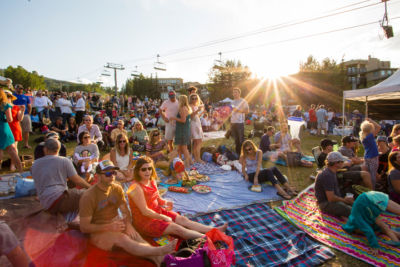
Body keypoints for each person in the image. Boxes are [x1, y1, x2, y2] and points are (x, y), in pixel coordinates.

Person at [79, 160, 177, 267]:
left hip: (115, 222)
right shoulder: (88, 197)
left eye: (114, 173)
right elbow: (84, 227)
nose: (112, 176)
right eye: (108, 174)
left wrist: (129, 225)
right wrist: (108, 227)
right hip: (98, 230)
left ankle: (158, 260)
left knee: (135, 236)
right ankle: (160, 251)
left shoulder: (116, 187)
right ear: (97, 176)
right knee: (124, 239)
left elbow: (125, 210)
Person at [128, 157, 228, 240]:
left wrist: (167, 202)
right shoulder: (136, 187)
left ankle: (214, 230)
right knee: (178, 229)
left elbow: (159, 200)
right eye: (143, 169)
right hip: (145, 222)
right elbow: (144, 211)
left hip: (157, 212)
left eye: (149, 169)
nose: (147, 171)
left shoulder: (152, 181)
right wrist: (163, 217)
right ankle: (212, 238)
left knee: (183, 220)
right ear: (138, 171)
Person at [32, 138, 91, 214]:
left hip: (46, 204)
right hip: (59, 200)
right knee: (90, 194)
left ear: (45, 149)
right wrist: (91, 187)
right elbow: (76, 180)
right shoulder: (64, 161)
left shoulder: (35, 164)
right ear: (59, 149)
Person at [342, 191, 400, 256]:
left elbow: (368, 230)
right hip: (372, 196)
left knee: (377, 223)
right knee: (378, 222)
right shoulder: (354, 217)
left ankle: (395, 240)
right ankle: (396, 238)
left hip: (370, 201)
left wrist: (374, 246)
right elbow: (348, 220)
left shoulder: (357, 220)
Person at [314, 152, 354, 221]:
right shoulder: (327, 175)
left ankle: (342, 214)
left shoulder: (331, 170)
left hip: (333, 200)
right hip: (326, 203)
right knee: (355, 212)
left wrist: (344, 200)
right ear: (336, 163)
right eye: (342, 161)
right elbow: (331, 198)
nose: (343, 163)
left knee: (356, 205)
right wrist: (343, 200)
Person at [0, 88, 22, 173]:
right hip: (4, 127)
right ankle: (20, 170)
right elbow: (9, 119)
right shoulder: (6, 105)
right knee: (12, 150)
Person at [169, 95, 194, 168]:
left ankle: (187, 164)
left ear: (181, 100)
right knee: (180, 147)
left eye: (179, 99)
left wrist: (174, 118)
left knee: (184, 149)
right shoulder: (187, 108)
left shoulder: (183, 108)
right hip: (183, 130)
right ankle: (190, 161)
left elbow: (183, 120)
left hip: (182, 131)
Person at [360, 118, 381, 189]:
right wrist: (371, 120)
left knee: (368, 173)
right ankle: (372, 188)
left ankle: (367, 187)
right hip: (373, 157)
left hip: (367, 157)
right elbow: (379, 127)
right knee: (372, 174)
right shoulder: (370, 136)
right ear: (371, 129)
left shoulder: (363, 137)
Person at [231, 88, 249, 155]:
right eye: (233, 92)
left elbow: (247, 111)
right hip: (233, 123)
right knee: (236, 140)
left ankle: (244, 154)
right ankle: (238, 154)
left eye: (236, 92)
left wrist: (238, 110)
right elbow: (232, 111)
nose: (234, 93)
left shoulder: (243, 101)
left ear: (239, 93)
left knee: (241, 140)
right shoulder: (232, 102)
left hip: (240, 123)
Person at [13, 84, 32, 149]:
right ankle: (14, 144)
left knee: (26, 130)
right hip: (14, 114)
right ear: (15, 89)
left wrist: (29, 113)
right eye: (19, 88)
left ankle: (26, 144)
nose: (20, 89)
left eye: (21, 88)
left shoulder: (26, 97)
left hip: (25, 114)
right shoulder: (12, 96)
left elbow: (29, 105)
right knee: (14, 130)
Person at [189, 94, 205, 164]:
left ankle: (196, 157)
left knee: (198, 141)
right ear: (190, 99)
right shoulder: (190, 106)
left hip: (197, 124)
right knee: (198, 141)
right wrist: (198, 109)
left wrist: (201, 113)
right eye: (193, 98)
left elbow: (196, 116)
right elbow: (191, 116)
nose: (194, 100)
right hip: (194, 125)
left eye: (195, 98)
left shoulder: (195, 106)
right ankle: (197, 158)